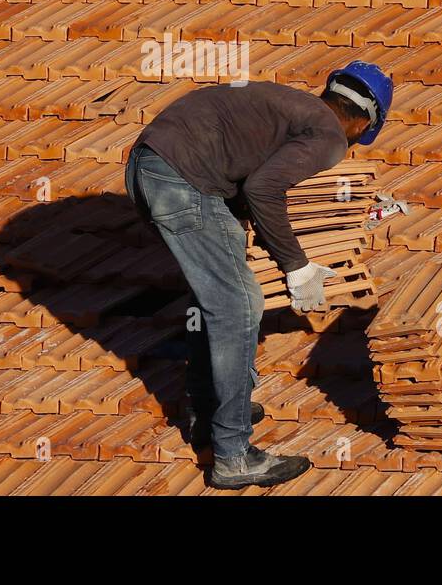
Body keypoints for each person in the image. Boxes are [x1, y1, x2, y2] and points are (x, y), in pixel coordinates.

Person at [123, 61, 393, 489]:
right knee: (238, 306)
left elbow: (247, 173)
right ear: (364, 122)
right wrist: (298, 267)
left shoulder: (291, 108)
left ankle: (207, 408)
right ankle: (233, 456)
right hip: (181, 178)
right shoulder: (327, 136)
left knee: (216, 290)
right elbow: (263, 188)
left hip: (150, 164)